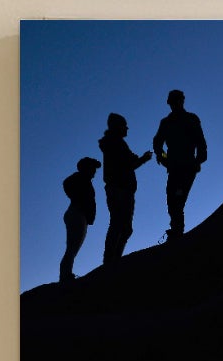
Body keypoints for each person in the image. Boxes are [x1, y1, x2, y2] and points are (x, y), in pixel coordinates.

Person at [151, 88, 207, 240]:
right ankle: (176, 230)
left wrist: (198, 160)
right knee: (172, 200)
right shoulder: (166, 122)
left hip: (188, 166)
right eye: (173, 102)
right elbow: (157, 143)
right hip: (174, 168)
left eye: (177, 101)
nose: (175, 104)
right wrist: (164, 158)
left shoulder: (191, 119)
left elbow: (201, 142)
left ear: (182, 101)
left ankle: (177, 231)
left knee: (178, 199)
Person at [97, 114, 150, 266]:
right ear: (117, 127)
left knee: (121, 226)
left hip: (119, 189)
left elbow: (130, 161)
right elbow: (129, 164)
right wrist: (143, 159)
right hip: (120, 189)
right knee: (120, 226)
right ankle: (111, 262)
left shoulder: (114, 143)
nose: (127, 129)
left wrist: (139, 159)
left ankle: (112, 261)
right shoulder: (116, 144)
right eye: (124, 126)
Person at [58, 156, 99, 283]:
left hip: (79, 214)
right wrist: (76, 198)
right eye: (92, 167)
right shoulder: (80, 178)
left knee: (72, 248)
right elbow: (66, 183)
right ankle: (65, 276)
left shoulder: (84, 180)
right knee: (72, 248)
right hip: (77, 213)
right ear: (86, 167)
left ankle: (66, 275)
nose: (95, 171)